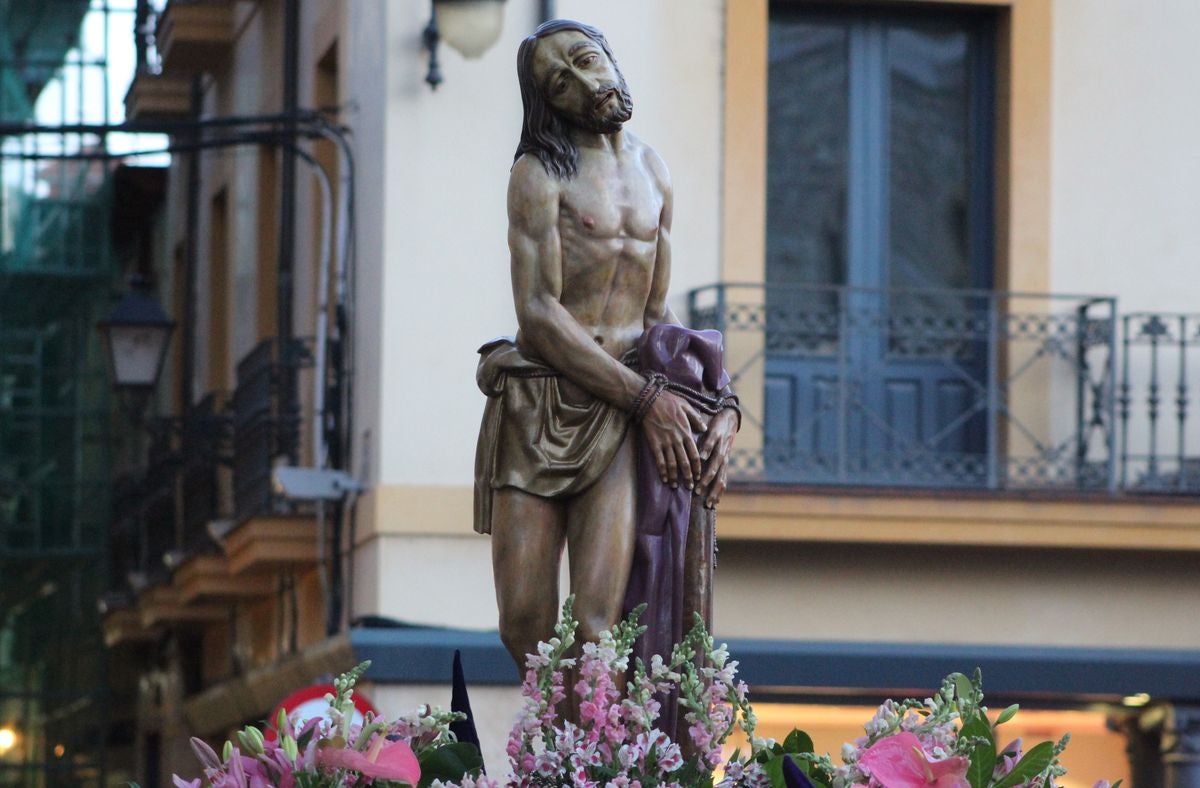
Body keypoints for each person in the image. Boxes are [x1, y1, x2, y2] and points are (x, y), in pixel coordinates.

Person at [473, 19, 739, 672]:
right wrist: (648, 397)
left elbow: (658, 315)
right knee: (526, 624)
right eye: (562, 82)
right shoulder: (538, 174)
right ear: (549, 103)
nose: (587, 84)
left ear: (612, 59)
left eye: (590, 62)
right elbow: (537, 314)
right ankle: (551, 757)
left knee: (599, 627)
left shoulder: (654, 171)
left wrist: (719, 403)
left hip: (618, 415)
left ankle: (588, 765)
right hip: (539, 408)